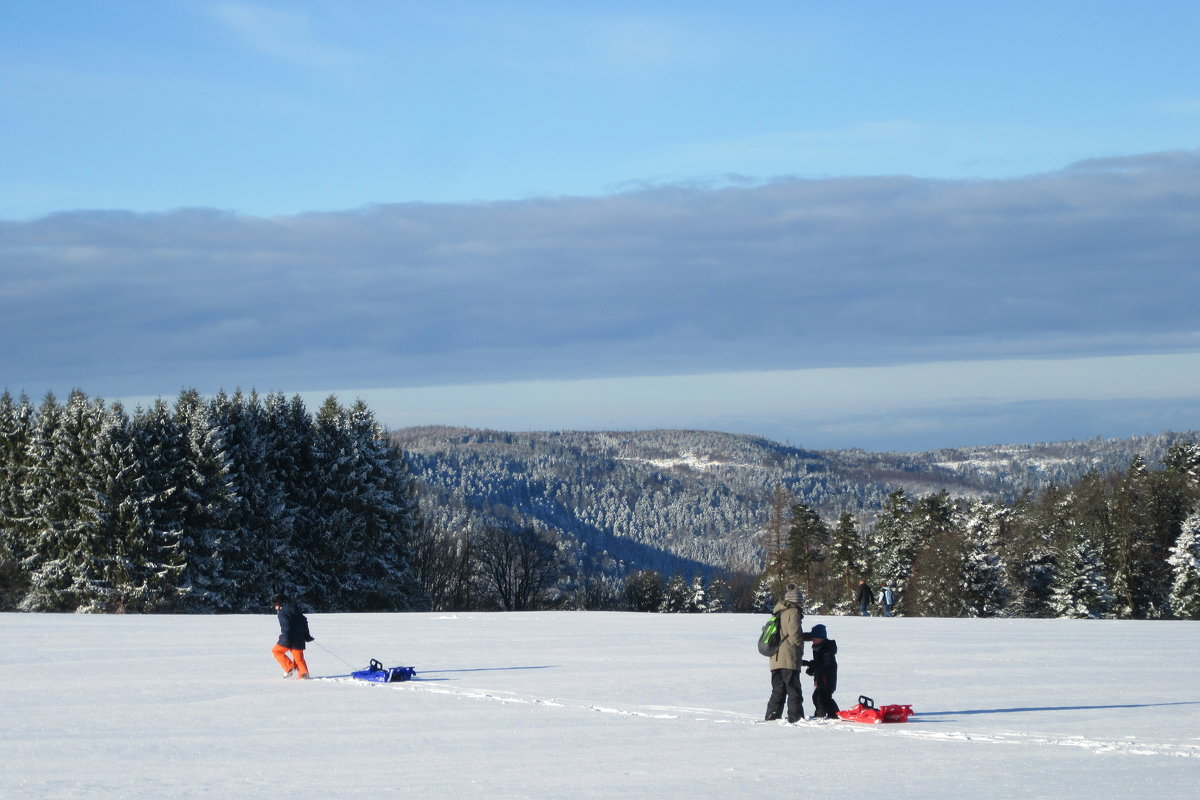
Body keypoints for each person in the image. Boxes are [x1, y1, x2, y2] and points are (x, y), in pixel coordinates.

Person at [764, 582, 806, 723]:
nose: (802, 604)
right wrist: (800, 647)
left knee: (778, 691)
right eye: (801, 601)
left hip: (775, 658)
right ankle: (796, 718)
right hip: (788, 658)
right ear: (796, 601)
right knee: (793, 690)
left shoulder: (779, 612)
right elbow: (794, 635)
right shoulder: (793, 612)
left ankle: (772, 717)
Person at [271, 593, 314, 679]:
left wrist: (285, 638)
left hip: (289, 638)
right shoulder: (295, 609)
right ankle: (304, 675)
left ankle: (289, 668)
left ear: (279, 603)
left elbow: (286, 627)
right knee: (298, 659)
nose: (274, 607)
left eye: (275, 605)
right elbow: (304, 621)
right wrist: (306, 635)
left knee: (276, 651)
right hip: (299, 638)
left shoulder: (282, 612)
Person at [803, 623, 839, 719]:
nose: (813, 640)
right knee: (818, 697)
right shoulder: (818, 647)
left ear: (822, 637)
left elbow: (823, 664)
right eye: (812, 638)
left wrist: (810, 665)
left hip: (827, 678)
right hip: (821, 677)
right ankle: (820, 714)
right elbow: (818, 663)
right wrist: (812, 669)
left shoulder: (826, 649)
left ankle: (834, 714)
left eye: (815, 638)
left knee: (823, 697)